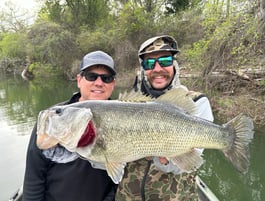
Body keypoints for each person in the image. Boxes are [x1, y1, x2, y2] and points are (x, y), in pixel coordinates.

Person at [116, 35, 214, 201]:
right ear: (143, 69)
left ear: (174, 64)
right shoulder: (128, 104)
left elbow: (187, 165)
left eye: (165, 60)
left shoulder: (196, 102)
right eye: (149, 63)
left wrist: (159, 153)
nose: (157, 68)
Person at [22, 51, 118, 201]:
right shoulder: (53, 118)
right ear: (79, 80)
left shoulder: (123, 119)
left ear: (113, 84)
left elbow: (118, 183)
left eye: (106, 78)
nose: (99, 83)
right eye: (91, 76)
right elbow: (34, 180)